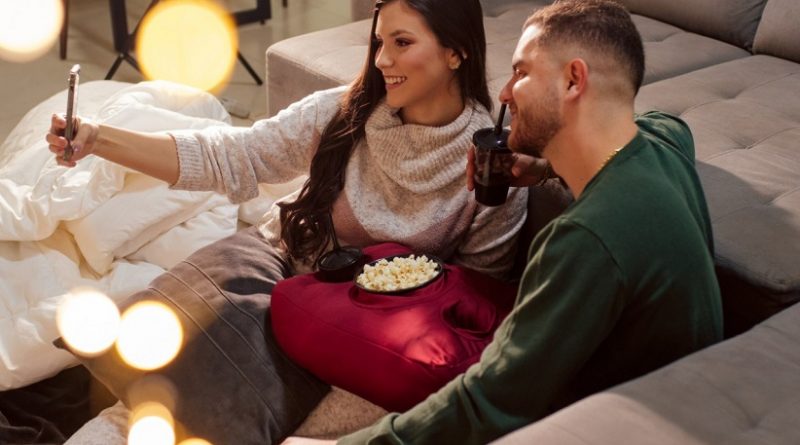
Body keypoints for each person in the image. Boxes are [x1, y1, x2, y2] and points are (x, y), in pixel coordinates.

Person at [45, 0, 527, 443]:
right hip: (276, 267)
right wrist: (98, 139)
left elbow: (476, 302)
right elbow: (232, 156)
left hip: (373, 332)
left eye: (402, 42)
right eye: (379, 41)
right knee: (152, 397)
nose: (382, 60)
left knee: (251, 421)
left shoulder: (490, 170)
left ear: (456, 52)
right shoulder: (345, 112)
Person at [283, 0, 723, 444]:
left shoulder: (586, 238)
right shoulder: (661, 150)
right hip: (696, 396)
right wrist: (545, 168)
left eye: (521, 72)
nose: (506, 93)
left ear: (574, 80)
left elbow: (488, 403)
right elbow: (668, 123)